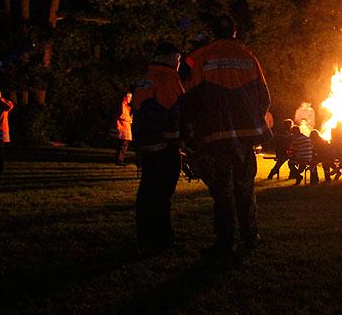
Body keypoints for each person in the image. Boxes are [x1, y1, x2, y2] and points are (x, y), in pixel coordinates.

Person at [182, 15, 271, 255]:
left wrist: (192, 128)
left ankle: (226, 241)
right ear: (234, 32)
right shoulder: (248, 57)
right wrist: (252, 120)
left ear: (213, 32)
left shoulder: (203, 58)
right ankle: (251, 237)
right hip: (244, 137)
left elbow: (192, 97)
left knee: (223, 191)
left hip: (215, 136)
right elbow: (264, 97)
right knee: (245, 187)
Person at [131, 42, 184, 249]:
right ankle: (162, 236)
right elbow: (171, 114)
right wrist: (177, 141)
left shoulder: (146, 78)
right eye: (178, 59)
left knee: (147, 189)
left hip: (146, 142)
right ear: (171, 58)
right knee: (163, 192)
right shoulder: (168, 78)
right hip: (164, 145)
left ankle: (145, 234)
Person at [115, 92, 133, 165]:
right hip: (123, 128)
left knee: (123, 145)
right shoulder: (122, 105)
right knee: (123, 145)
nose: (131, 99)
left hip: (126, 127)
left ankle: (119, 160)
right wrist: (130, 119)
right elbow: (121, 115)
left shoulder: (127, 106)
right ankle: (119, 160)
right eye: (129, 97)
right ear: (125, 97)